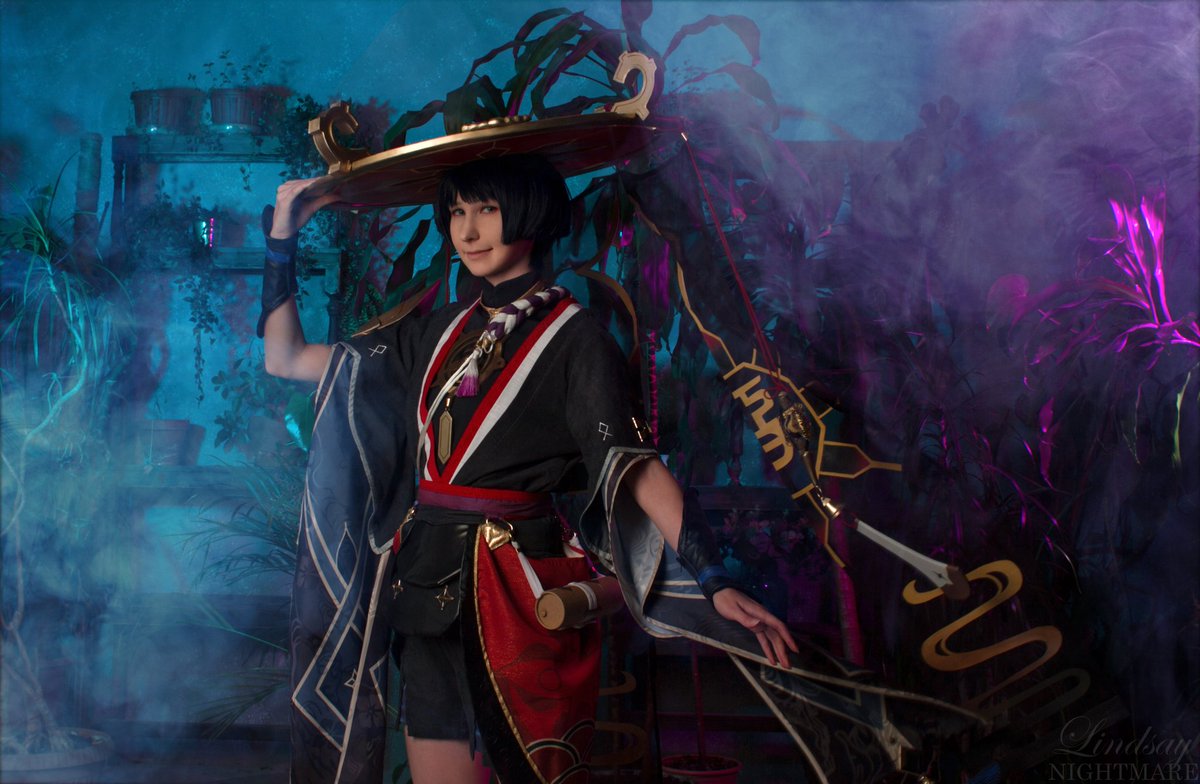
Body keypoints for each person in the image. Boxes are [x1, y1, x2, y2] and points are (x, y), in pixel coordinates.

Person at [262, 153, 797, 784]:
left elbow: (634, 469)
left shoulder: (578, 338)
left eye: (487, 210)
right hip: (427, 588)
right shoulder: (434, 332)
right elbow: (285, 358)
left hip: (523, 596)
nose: (467, 232)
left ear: (532, 214)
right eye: (457, 212)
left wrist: (713, 577)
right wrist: (282, 238)